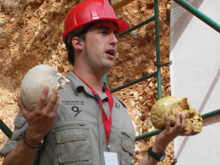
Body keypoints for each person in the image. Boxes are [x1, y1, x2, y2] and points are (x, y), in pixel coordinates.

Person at [0, 0, 195, 164]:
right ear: (77, 43)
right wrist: (34, 135)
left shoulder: (120, 111)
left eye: (116, 35)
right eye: (104, 32)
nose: (114, 40)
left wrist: (159, 146)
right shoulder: (48, 97)